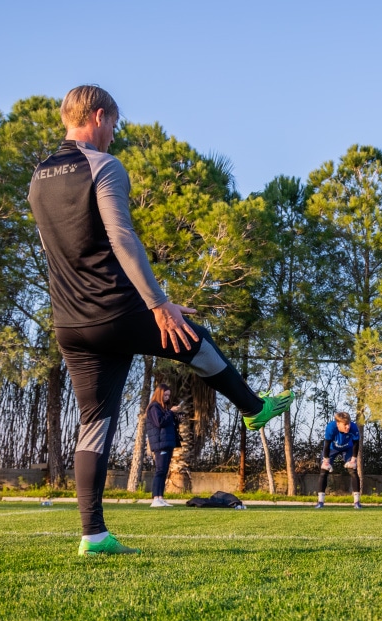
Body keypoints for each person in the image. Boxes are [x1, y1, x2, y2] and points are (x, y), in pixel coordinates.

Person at [28, 85, 294, 556]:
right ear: (97, 115)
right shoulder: (103, 166)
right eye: (113, 123)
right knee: (191, 336)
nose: (114, 133)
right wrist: (158, 302)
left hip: (69, 321)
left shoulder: (39, 177)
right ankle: (253, 408)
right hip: (115, 309)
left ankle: (94, 536)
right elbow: (122, 237)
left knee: (93, 424)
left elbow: (56, 252)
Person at [316, 412, 362, 509]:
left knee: (353, 471)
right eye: (345, 424)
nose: (348, 426)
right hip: (332, 448)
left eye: (348, 423)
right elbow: (327, 445)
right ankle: (320, 502)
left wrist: (353, 460)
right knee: (324, 471)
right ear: (338, 424)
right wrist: (326, 461)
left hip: (348, 448)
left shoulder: (353, 428)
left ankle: (357, 502)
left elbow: (356, 444)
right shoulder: (331, 428)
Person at [146, 383, 179, 508]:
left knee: (164, 471)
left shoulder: (163, 408)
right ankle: (155, 498)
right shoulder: (154, 407)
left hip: (167, 443)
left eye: (168, 395)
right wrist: (171, 412)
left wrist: (174, 416)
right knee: (160, 471)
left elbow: (167, 421)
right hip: (160, 444)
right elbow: (159, 422)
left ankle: (160, 497)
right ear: (159, 394)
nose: (167, 397)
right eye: (165, 395)